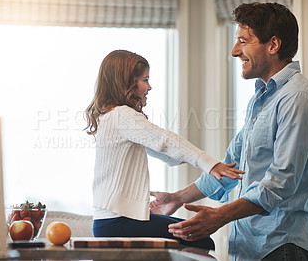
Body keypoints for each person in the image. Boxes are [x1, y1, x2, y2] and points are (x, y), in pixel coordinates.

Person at [150, 2, 308, 260]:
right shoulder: (262, 98)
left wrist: (220, 216)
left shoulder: (297, 98)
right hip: (250, 247)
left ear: (273, 45)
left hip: (282, 246)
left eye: (243, 41)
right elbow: (231, 168)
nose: (235, 52)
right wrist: (177, 198)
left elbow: (281, 183)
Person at [84, 49, 245, 250]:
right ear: (127, 83)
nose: (149, 86)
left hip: (108, 222)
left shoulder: (110, 117)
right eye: (145, 80)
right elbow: (164, 141)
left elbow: (164, 151)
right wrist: (209, 164)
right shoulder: (123, 115)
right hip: (120, 221)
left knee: (198, 240)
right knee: (201, 239)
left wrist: (185, 156)